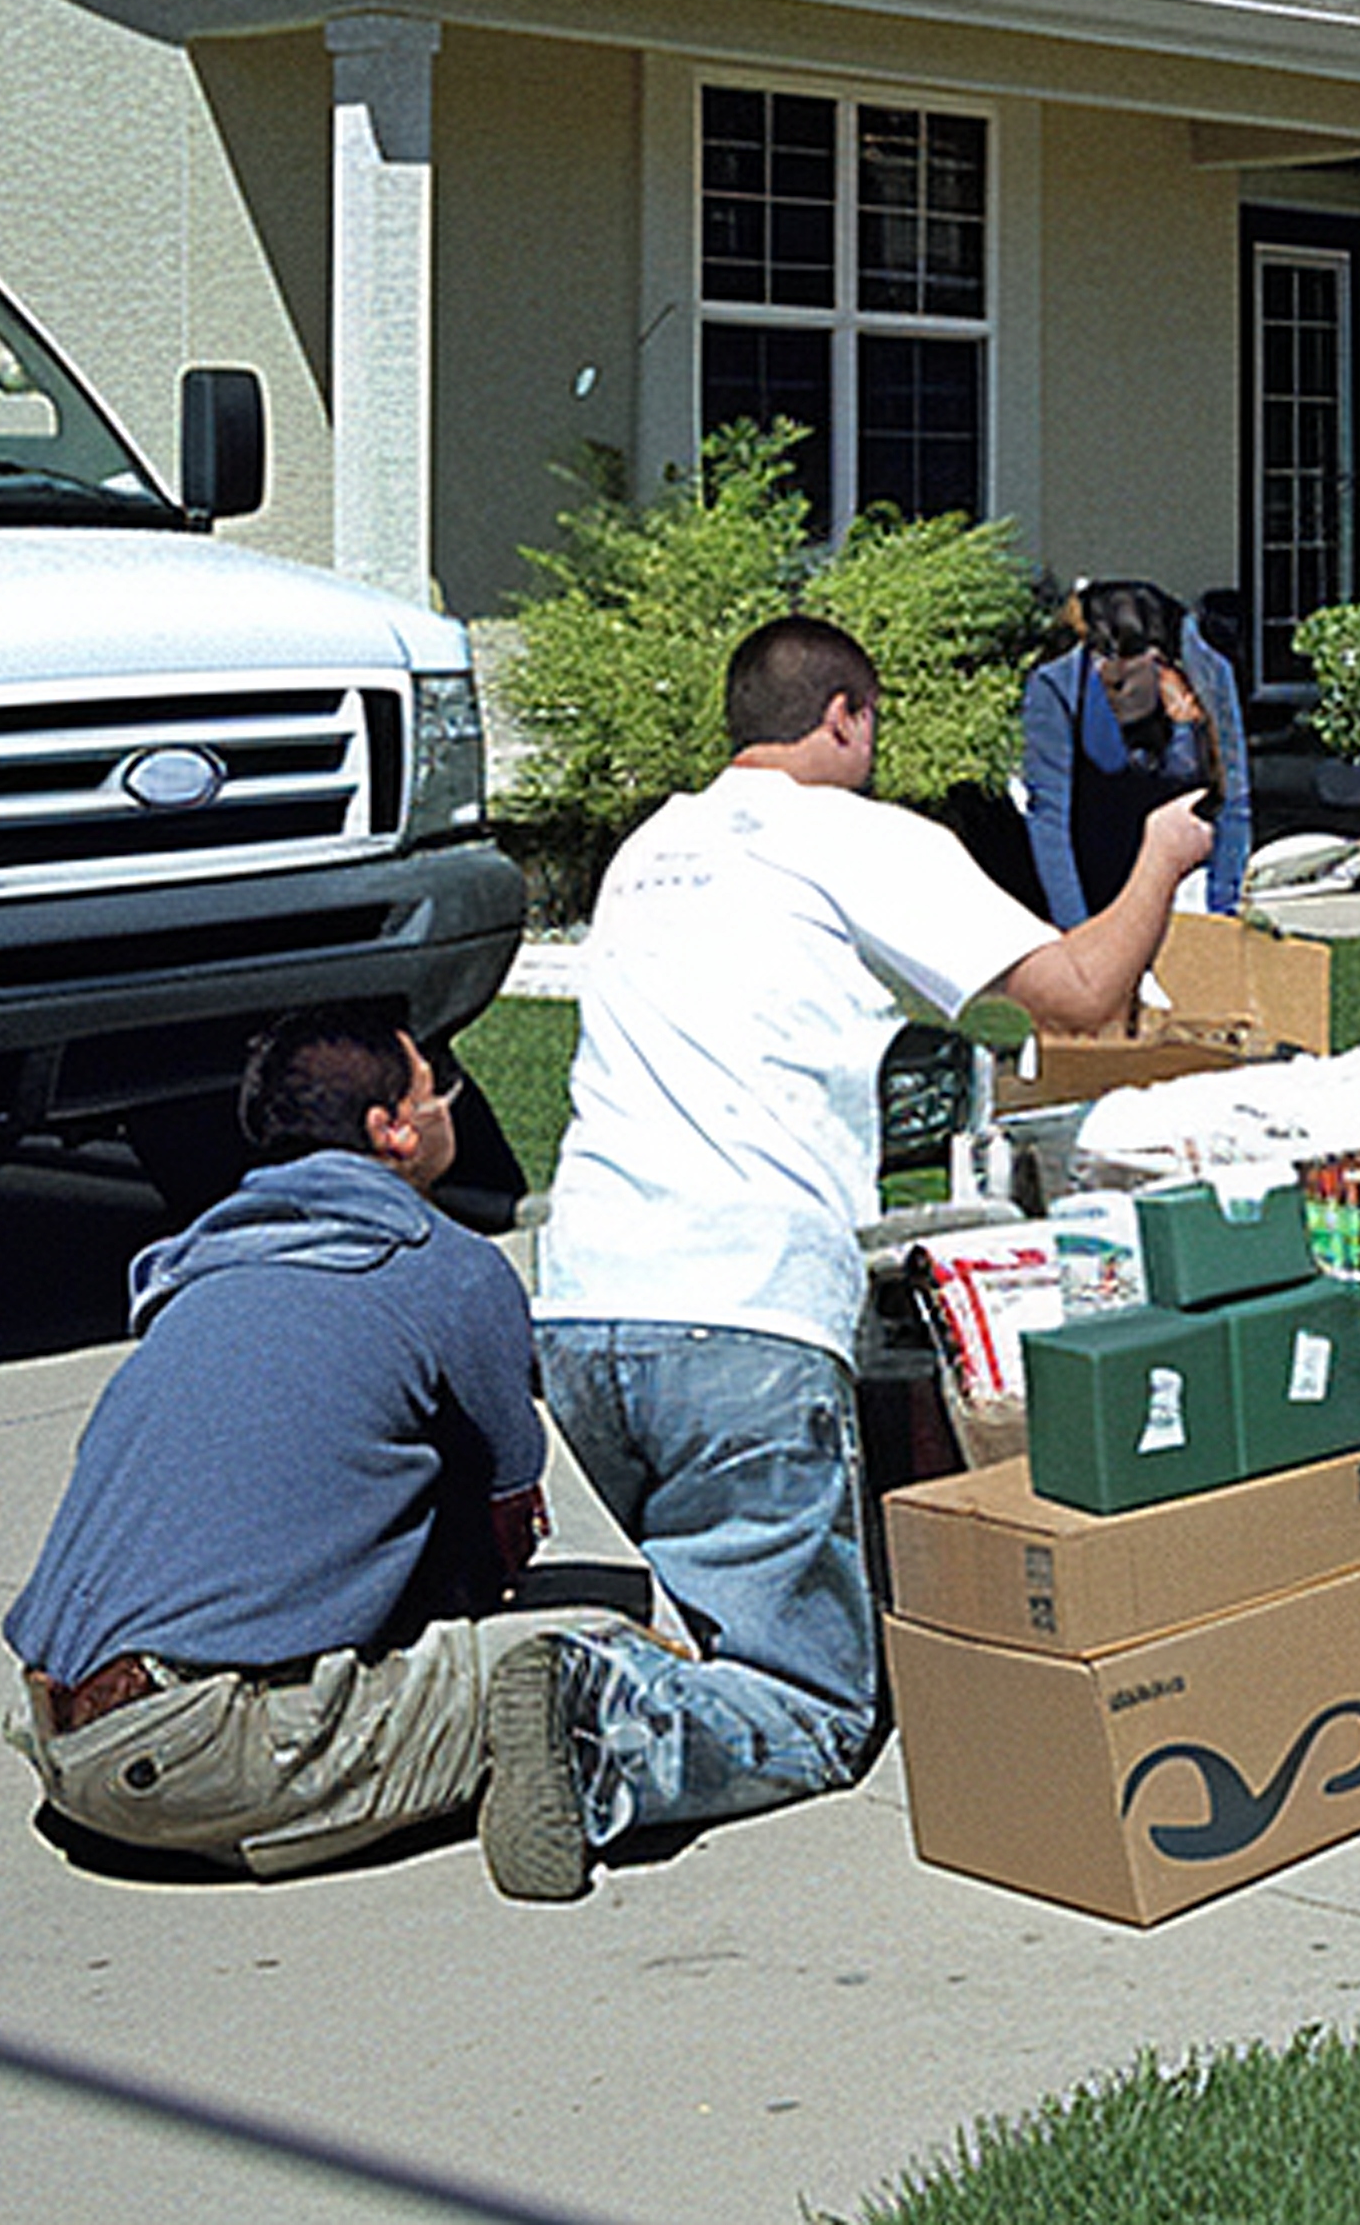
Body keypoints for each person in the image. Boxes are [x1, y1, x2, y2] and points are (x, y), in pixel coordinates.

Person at [502, 616, 1210, 1897]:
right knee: (817, 1704)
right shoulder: (860, 836)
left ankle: (588, 1702)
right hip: (743, 1316)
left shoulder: (652, 848)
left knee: (733, 1603)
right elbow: (1084, 992)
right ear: (843, 715)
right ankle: (601, 1721)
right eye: (871, 727)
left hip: (585, 1311)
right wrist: (1162, 853)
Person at [1, 1015, 577, 1892]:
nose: (452, 1106)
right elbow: (510, 1523)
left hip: (61, 1746)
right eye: (440, 1092)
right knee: (584, 1649)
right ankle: (534, 1759)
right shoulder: (446, 1267)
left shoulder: (195, 1273)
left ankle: (307, 1783)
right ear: (395, 1129)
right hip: (199, 1751)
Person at [1019, 576, 1248, 928]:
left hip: (1186, 887)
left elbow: (1233, 798)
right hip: (1099, 870)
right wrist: (1076, 931)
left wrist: (1224, 908)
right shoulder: (1057, 686)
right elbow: (1049, 817)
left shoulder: (1206, 672)